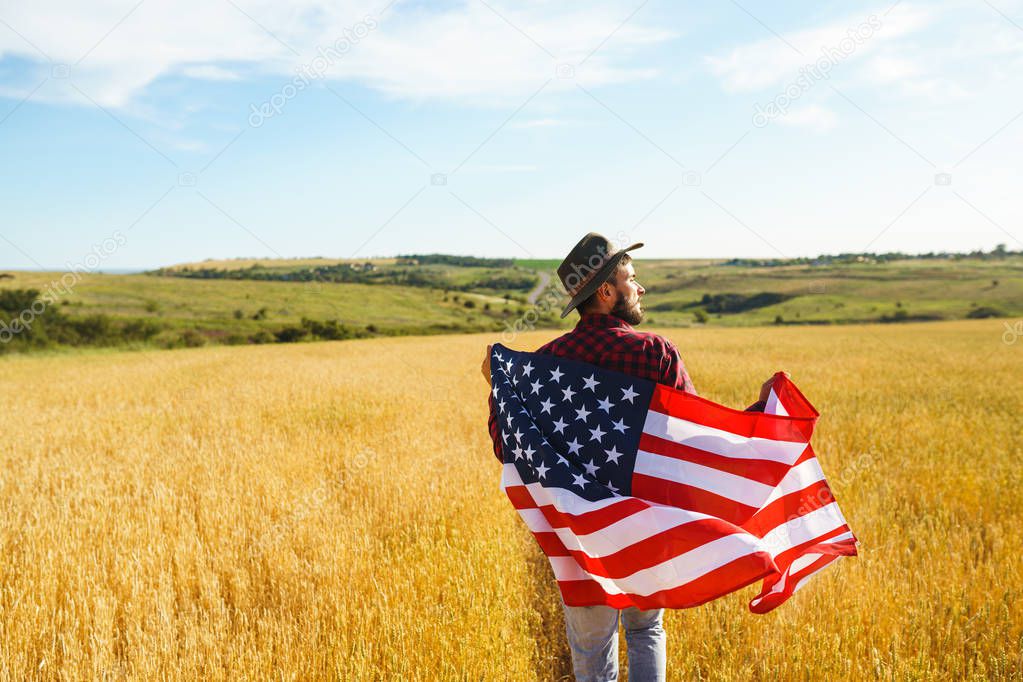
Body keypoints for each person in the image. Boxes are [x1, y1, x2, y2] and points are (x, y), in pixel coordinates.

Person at [481, 232, 783, 682]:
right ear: (606, 292)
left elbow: (507, 445)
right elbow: (697, 440)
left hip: (579, 540)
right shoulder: (654, 353)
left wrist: (500, 387)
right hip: (645, 532)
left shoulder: (543, 365)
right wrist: (765, 414)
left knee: (589, 648)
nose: (640, 288)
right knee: (645, 631)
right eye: (631, 278)